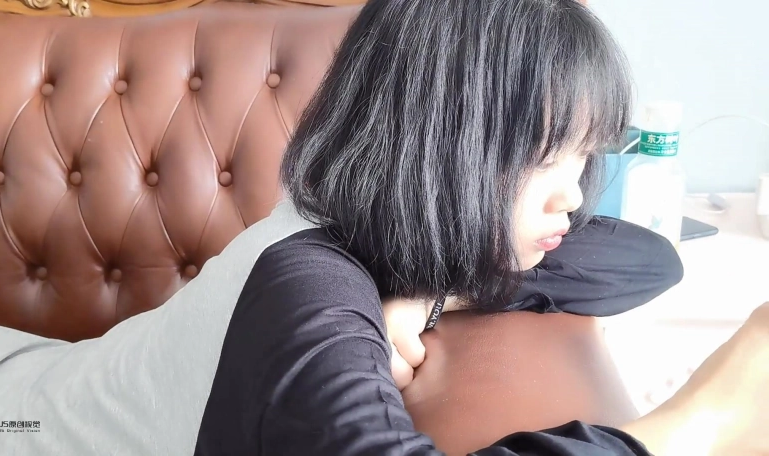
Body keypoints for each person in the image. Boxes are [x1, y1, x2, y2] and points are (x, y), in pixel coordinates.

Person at [189, 0, 769, 455]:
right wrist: (702, 420)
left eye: (581, 155)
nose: (571, 195)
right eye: (543, 158)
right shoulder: (304, 274)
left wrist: (439, 298)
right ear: (431, 143)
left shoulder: (381, 237)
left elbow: (649, 260)